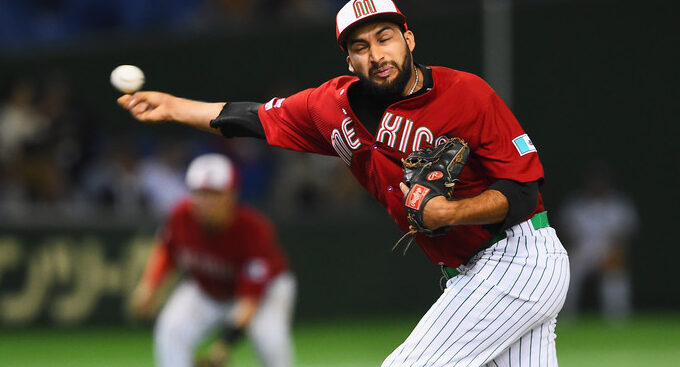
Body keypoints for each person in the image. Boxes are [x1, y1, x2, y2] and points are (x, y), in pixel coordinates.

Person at [119, 1, 570, 365]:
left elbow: (522, 191)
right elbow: (252, 118)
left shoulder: (465, 93)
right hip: (465, 271)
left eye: (385, 37)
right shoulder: (330, 106)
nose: (377, 54)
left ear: (408, 38)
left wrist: (449, 212)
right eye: (361, 46)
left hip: (517, 256)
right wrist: (174, 106)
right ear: (349, 59)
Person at [130, 153, 296, 367]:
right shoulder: (182, 216)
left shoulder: (253, 229)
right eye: (198, 192)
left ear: (231, 195)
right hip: (209, 289)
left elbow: (250, 298)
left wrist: (224, 345)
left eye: (214, 193)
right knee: (171, 329)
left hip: (265, 293)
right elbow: (168, 250)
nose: (205, 201)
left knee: (271, 342)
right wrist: (149, 286)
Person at [559, 162, 637, 322]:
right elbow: (566, 234)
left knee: (615, 276)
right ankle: (564, 317)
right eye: (594, 181)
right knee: (567, 276)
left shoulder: (619, 204)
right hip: (581, 250)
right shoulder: (576, 204)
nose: (597, 185)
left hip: (608, 249)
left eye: (601, 181)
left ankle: (617, 318)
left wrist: (618, 254)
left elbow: (625, 235)